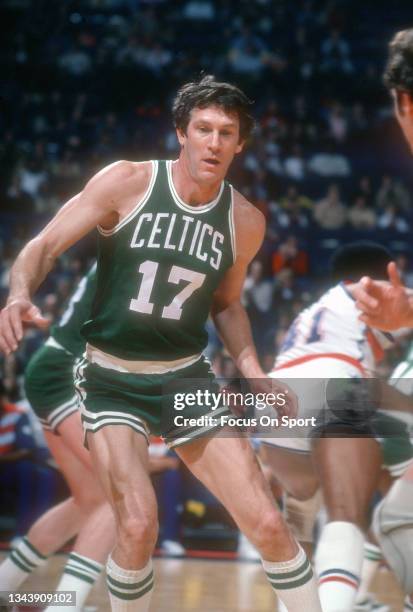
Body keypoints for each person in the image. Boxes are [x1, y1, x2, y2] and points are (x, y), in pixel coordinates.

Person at [0, 76, 321, 612]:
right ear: (181, 133)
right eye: (203, 129)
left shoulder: (245, 222)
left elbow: (228, 304)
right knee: (136, 523)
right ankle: (49, 594)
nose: (214, 142)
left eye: (227, 132)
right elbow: (44, 244)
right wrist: (17, 293)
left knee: (267, 521)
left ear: (240, 143)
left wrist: (253, 369)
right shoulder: (126, 182)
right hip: (110, 378)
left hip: (184, 377)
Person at [258, 242, 413, 612]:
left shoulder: (317, 309)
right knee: (346, 517)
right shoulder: (369, 291)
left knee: (300, 523)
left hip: (276, 399)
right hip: (332, 381)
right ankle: (346, 601)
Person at [0, 264, 116, 612]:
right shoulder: (139, 245)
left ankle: (7, 587)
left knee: (91, 499)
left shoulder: (123, 244)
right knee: (123, 495)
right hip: (66, 375)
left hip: (57, 369)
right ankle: (65, 607)